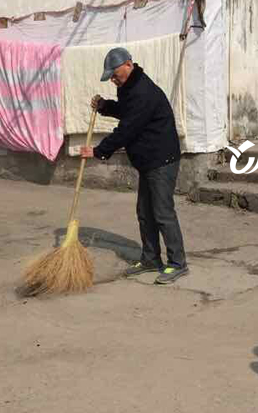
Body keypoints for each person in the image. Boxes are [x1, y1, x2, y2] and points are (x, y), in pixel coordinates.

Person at [80, 47, 189, 285]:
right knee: (145, 213)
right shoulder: (129, 89)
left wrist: (98, 151)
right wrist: (106, 106)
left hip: (162, 160)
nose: (112, 79)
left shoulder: (143, 92)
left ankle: (177, 263)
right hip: (148, 162)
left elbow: (128, 129)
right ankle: (151, 259)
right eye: (110, 75)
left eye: (115, 74)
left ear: (128, 64)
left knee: (162, 213)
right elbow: (127, 113)